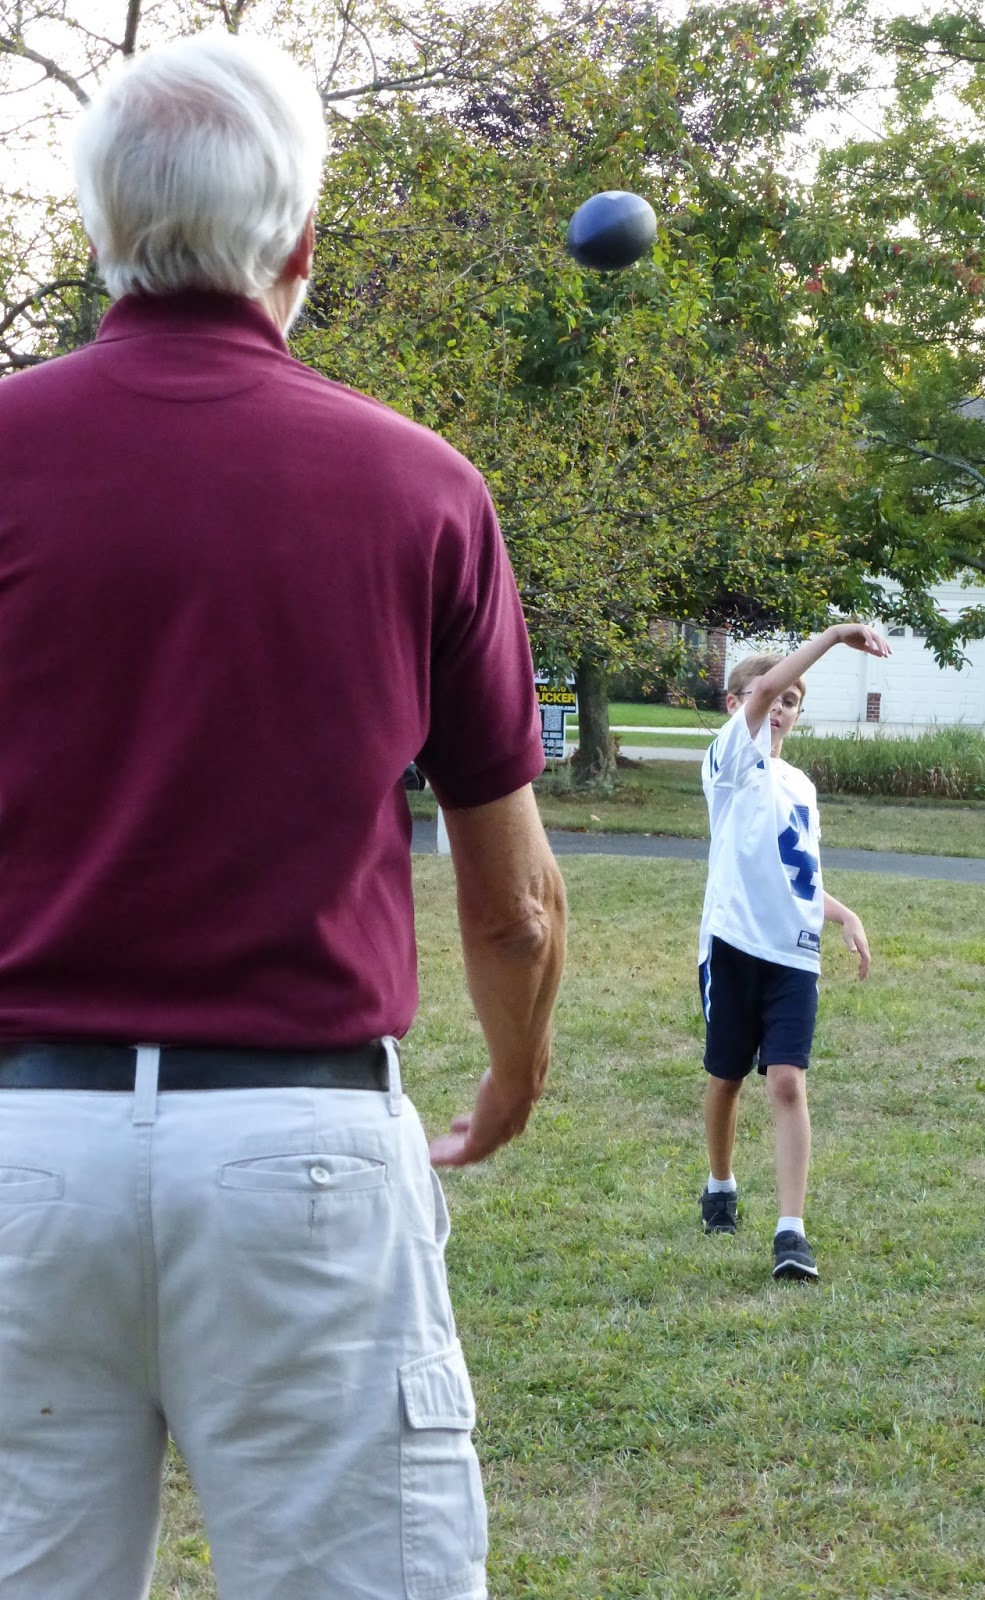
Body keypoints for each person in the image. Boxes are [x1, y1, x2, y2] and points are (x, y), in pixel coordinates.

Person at [0, 34, 566, 1600]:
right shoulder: (420, 489)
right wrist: (513, 1074)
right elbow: (514, 903)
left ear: (102, 239)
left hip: (24, 1149)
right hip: (301, 1151)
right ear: (301, 245)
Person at [697, 624, 891, 1281]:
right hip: (733, 944)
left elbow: (799, 874)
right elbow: (765, 689)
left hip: (793, 954)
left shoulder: (801, 786)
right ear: (736, 705)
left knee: (786, 1080)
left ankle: (790, 1233)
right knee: (726, 1077)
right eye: (770, 696)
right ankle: (720, 1182)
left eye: (791, 701)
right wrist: (834, 636)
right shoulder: (727, 762)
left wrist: (844, 914)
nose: (780, 706)